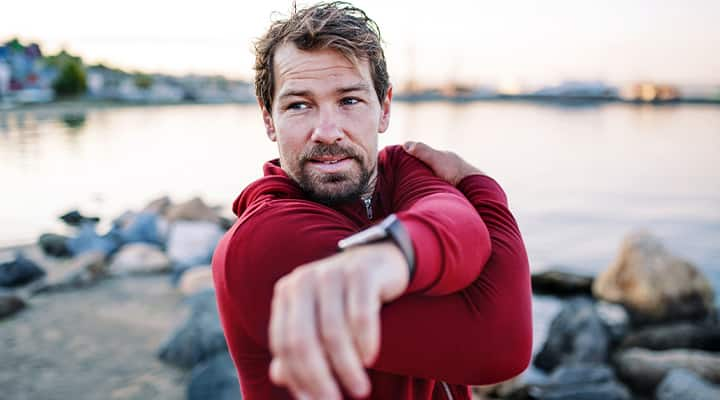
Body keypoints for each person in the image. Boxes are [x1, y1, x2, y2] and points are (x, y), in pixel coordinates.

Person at [212, 2, 532, 399]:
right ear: (267, 119)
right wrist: (479, 186)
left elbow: (456, 219)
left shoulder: (399, 168)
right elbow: (499, 347)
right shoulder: (263, 241)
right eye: (299, 105)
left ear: (384, 109)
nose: (328, 132)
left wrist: (394, 253)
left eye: (349, 101)